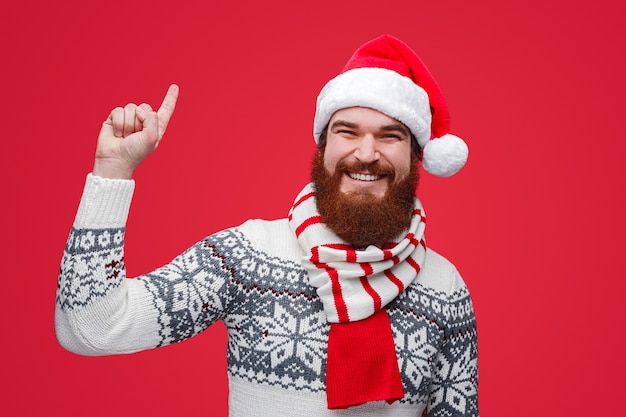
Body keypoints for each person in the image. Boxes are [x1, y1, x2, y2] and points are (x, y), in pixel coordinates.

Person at [56, 35, 478, 416]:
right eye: (347, 132)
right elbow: (93, 328)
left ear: (416, 156)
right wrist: (112, 171)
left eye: (390, 136)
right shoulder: (248, 254)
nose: (366, 154)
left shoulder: (445, 288)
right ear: (323, 147)